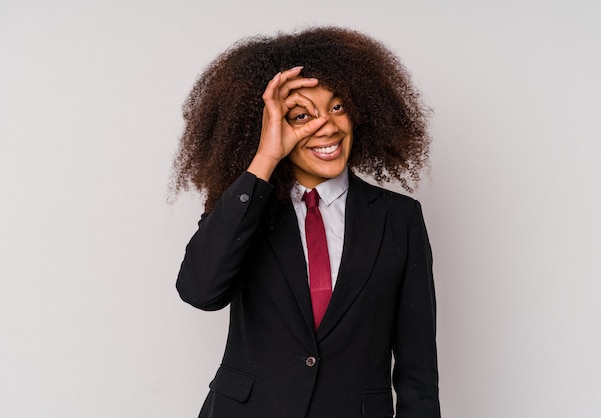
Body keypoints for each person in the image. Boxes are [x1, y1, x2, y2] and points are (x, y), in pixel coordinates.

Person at [172, 26, 440, 418]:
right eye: (301, 115)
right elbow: (200, 290)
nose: (326, 126)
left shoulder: (399, 219)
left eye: (337, 107)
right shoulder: (246, 208)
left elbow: (418, 368)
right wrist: (265, 158)